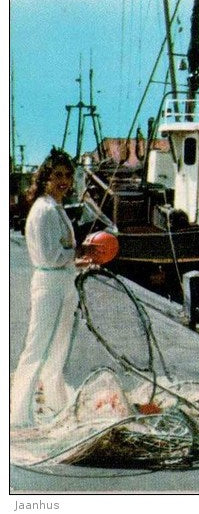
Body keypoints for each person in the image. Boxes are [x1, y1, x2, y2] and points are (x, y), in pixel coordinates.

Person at [10, 148, 91, 427]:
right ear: (45, 178)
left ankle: (56, 404)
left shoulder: (56, 208)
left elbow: (60, 255)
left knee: (58, 348)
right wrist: (79, 252)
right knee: (37, 348)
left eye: (68, 175)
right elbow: (49, 256)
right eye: (58, 175)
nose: (64, 181)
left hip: (62, 282)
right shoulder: (44, 210)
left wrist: (77, 260)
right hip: (49, 285)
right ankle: (20, 414)